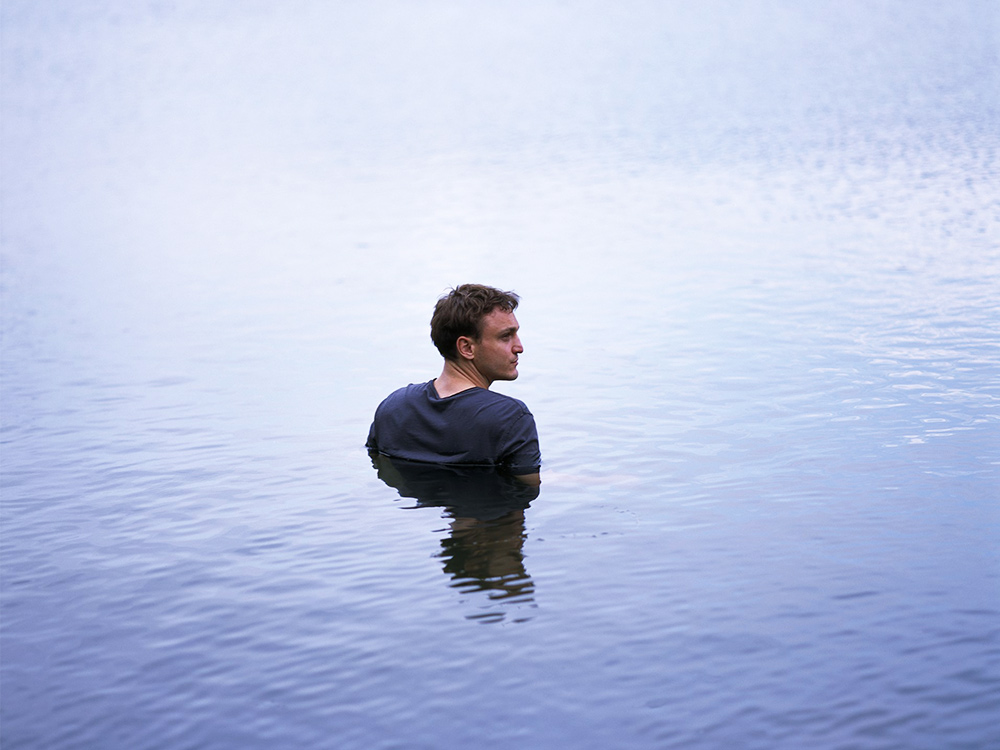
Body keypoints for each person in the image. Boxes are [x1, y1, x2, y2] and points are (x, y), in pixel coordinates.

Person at [366, 284, 541, 485]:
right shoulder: (511, 417)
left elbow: (378, 462)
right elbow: (527, 489)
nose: (519, 347)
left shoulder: (394, 406)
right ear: (466, 347)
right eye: (505, 336)